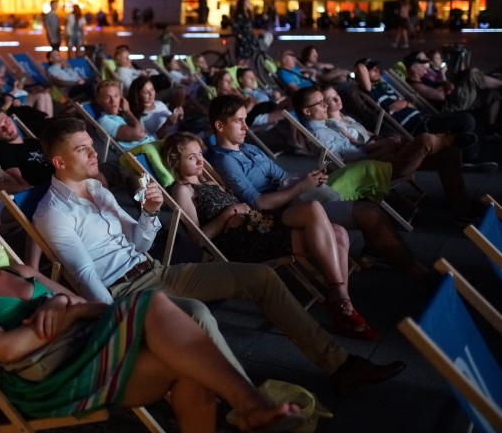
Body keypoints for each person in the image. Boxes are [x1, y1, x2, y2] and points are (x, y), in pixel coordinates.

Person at [33, 118, 406, 392]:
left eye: (90, 144)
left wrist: (148, 214)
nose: (93, 152)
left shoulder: (98, 192)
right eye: (81, 149)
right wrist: (121, 325)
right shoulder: (53, 213)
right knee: (197, 314)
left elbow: (140, 244)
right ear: (59, 162)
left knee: (259, 277)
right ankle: (246, 401)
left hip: (156, 270)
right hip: (122, 294)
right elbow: (86, 279)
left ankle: (339, 365)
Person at [0, 197, 305, 433]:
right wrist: (62, 318)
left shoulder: (20, 272)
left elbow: (84, 305)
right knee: (154, 303)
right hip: (45, 377)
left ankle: (249, 406)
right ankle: (251, 404)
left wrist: (64, 309)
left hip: (85, 348)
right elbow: (3, 349)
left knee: (190, 369)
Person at [164, 130, 379, 338]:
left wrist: (239, 211)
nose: (200, 161)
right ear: (176, 162)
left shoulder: (210, 182)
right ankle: (342, 304)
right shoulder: (183, 190)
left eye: (200, 154)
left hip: (258, 223)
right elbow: (199, 239)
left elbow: (240, 205)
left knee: (339, 232)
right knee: (316, 211)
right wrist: (231, 211)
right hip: (245, 242)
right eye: (192, 157)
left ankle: (342, 305)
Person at [206, 95, 437, 287]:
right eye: (239, 121)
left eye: (246, 120)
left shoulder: (250, 148)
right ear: (219, 125)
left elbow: (282, 176)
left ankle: (385, 259)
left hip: (297, 197)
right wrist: (301, 186)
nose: (247, 127)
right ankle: (418, 273)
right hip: (283, 212)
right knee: (369, 212)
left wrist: (309, 180)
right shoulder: (224, 160)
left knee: (368, 207)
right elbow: (258, 202)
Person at [294, 85, 472, 219]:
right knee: (425, 139)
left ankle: (460, 208)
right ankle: (451, 137)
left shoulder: (328, 125)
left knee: (450, 153)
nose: (325, 105)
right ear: (307, 111)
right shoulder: (319, 134)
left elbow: (355, 148)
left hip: (382, 157)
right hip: (377, 168)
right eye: (321, 102)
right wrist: (380, 150)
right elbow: (346, 163)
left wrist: (382, 145)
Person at [353, 58, 492, 168]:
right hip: (417, 126)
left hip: (424, 118)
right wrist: (363, 65)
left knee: (475, 114)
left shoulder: (384, 86)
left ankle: (467, 153)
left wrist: (406, 103)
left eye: (376, 67)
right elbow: (360, 68)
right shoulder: (369, 91)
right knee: (466, 119)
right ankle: (467, 159)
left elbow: (412, 104)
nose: (377, 69)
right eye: (371, 68)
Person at [404, 51, 502, 131]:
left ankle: (490, 129)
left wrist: (444, 85)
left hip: (453, 98)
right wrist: (444, 86)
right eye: (423, 62)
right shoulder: (416, 85)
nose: (427, 65)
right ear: (413, 67)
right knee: (473, 77)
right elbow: (441, 96)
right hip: (450, 106)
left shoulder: (423, 78)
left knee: (493, 93)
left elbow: (446, 85)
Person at [0, 67, 49, 134]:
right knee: (46, 122)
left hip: (27, 116)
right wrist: (8, 103)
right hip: (17, 124)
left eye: (0, 79)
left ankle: (48, 121)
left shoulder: (3, 94)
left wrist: (16, 102)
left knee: (46, 114)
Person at [95, 79, 157, 151]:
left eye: (116, 96)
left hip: (153, 145)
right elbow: (140, 134)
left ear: (121, 98)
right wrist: (128, 112)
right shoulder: (104, 122)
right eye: (107, 97)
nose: (113, 101)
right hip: (145, 152)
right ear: (99, 101)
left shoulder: (122, 115)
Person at [232, 0, 257, 66]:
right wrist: (239, 35)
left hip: (249, 38)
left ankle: (245, 73)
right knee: (241, 60)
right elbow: (235, 26)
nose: (249, 3)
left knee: (247, 59)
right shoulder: (238, 14)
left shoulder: (249, 13)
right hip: (242, 39)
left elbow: (250, 26)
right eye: (247, 1)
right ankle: (239, 74)